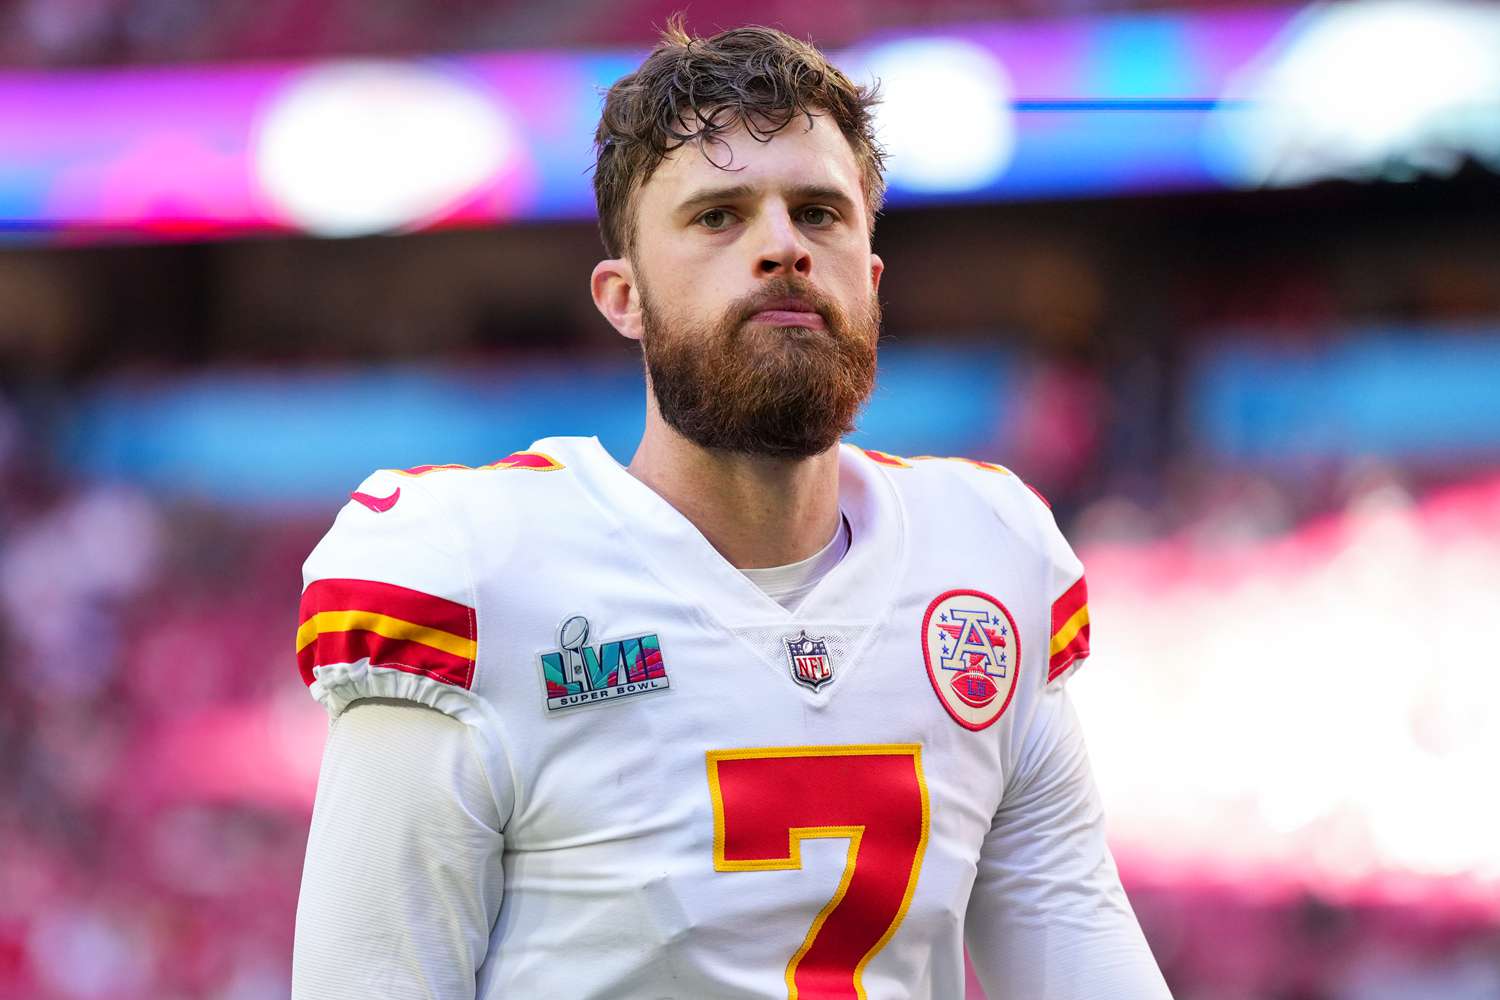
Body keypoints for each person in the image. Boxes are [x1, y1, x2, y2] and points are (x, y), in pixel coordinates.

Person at [291, 20, 1172, 1000]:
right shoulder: (474, 569)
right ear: (623, 296)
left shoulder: (989, 554)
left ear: (871, 279)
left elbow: (1081, 957)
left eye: (821, 213)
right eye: (719, 216)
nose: (782, 246)